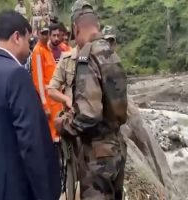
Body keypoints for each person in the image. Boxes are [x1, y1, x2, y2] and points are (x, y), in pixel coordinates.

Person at [0, 10, 61, 200]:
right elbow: (33, 144)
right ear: (17, 37)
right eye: (28, 39)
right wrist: (47, 193)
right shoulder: (16, 75)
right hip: (12, 190)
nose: (30, 46)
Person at [55, 1, 128, 199]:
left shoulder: (87, 56)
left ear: (75, 28)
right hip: (117, 149)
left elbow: (89, 115)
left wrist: (64, 124)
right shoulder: (112, 53)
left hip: (98, 157)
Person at [31, 23, 62, 141]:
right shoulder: (38, 52)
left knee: (58, 135)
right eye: (42, 33)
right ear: (38, 34)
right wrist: (45, 105)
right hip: (48, 102)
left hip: (56, 101)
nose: (45, 36)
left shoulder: (48, 50)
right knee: (52, 138)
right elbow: (38, 81)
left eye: (46, 33)